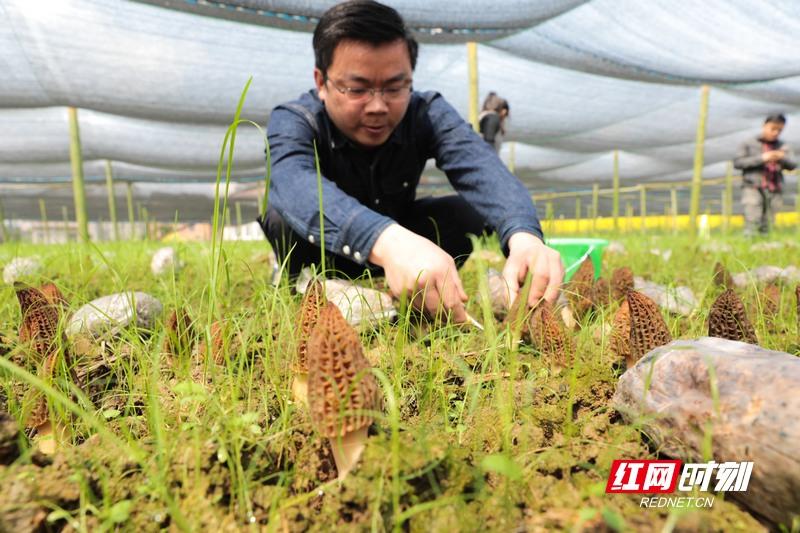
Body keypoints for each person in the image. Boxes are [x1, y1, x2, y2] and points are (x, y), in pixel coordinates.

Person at [259, 0, 563, 323]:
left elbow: (480, 165)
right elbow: (292, 181)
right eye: (357, 89)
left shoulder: (426, 113)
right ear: (321, 83)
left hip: (401, 239)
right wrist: (385, 240)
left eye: (394, 87)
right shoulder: (295, 120)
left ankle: (416, 285)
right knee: (281, 216)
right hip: (326, 249)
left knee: (467, 213)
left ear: (410, 79)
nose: (377, 106)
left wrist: (524, 235)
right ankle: (300, 281)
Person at [733, 114, 796, 236]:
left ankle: (765, 249)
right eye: (773, 129)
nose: (776, 133)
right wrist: (762, 158)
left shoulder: (783, 146)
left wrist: (782, 158)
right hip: (752, 187)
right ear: (764, 126)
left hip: (774, 187)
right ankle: (749, 248)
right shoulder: (749, 143)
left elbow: (793, 165)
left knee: (769, 222)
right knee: (752, 219)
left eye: (779, 130)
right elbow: (738, 162)